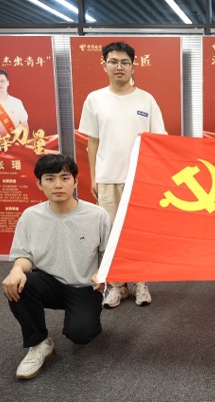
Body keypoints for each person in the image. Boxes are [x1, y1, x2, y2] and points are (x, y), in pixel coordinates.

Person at [2, 154, 111, 380]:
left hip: (83, 286)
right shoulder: (31, 216)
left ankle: (83, 318)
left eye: (65, 178)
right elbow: (24, 256)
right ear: (39, 184)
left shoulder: (97, 215)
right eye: (50, 179)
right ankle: (39, 343)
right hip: (47, 282)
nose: (58, 185)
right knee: (20, 283)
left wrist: (102, 275)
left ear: (75, 181)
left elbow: (109, 255)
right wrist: (16, 269)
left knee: (81, 334)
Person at [78, 41, 166, 309]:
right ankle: (117, 286)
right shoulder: (95, 99)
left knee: (139, 234)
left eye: (125, 62)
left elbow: (159, 140)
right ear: (104, 65)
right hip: (107, 178)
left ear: (133, 66)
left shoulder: (146, 100)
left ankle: (141, 283)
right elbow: (92, 142)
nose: (119, 67)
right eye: (113, 61)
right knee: (111, 235)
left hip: (139, 179)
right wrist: (94, 176)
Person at [0, 68, 29, 136]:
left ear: (7, 83)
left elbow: (25, 126)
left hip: (14, 141)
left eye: (2, 81)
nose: (0, 84)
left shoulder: (17, 102)